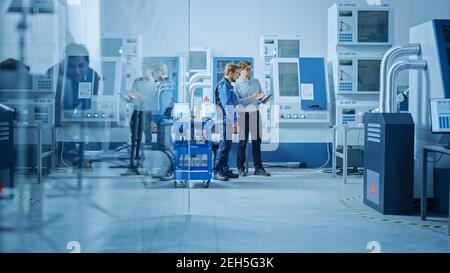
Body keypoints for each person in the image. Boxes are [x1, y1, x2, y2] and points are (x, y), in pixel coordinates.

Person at [46, 44, 100, 168]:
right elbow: (55, 114)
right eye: (71, 66)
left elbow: (88, 108)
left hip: (70, 115)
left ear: (88, 64)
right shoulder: (54, 74)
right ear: (64, 64)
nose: (77, 71)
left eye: (81, 66)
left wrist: (101, 145)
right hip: (56, 118)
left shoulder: (92, 76)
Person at [234, 61, 270, 177]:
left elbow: (261, 95)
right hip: (243, 114)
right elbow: (236, 101)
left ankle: (258, 168)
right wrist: (251, 97)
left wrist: (264, 99)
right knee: (242, 142)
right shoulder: (237, 84)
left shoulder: (256, 81)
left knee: (257, 141)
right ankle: (240, 168)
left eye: (251, 69)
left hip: (255, 112)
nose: (250, 71)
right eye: (248, 69)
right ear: (241, 70)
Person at [122, 64, 158, 176]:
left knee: (147, 140)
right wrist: (132, 96)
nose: (143, 71)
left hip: (146, 113)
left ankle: (147, 167)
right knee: (134, 139)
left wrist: (140, 96)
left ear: (151, 70)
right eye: (142, 69)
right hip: (136, 112)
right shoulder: (137, 81)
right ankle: (133, 165)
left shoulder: (154, 84)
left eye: (145, 69)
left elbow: (153, 100)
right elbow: (132, 94)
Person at [212, 63, 240, 181]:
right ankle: (217, 171)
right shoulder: (223, 85)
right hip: (224, 120)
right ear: (230, 72)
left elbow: (234, 103)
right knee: (224, 145)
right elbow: (227, 104)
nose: (238, 76)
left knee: (227, 145)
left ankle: (224, 168)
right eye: (237, 73)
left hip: (228, 119)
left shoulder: (230, 86)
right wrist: (233, 121)